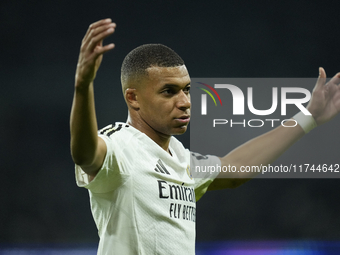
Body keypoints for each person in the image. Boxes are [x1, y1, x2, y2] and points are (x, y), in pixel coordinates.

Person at [70, 18, 340, 255]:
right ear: (133, 98)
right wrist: (83, 87)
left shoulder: (180, 157)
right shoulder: (121, 145)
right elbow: (85, 153)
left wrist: (308, 117)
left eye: (187, 89)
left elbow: (236, 169)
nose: (185, 101)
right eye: (169, 91)